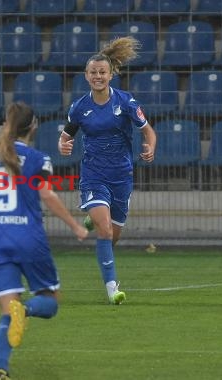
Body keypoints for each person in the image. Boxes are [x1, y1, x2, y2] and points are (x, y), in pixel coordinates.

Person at [0, 102, 89, 380]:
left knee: (7, 314)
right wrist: (75, 225)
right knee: (50, 301)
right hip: (29, 237)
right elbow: (47, 195)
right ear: (34, 126)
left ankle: (1, 370)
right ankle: (27, 309)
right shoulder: (38, 159)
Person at [58, 36, 157, 305]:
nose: (98, 76)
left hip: (121, 176)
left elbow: (148, 131)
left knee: (112, 235)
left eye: (102, 72)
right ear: (86, 75)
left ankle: (99, 234)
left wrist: (150, 147)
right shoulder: (79, 108)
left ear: (111, 74)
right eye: (93, 73)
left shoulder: (126, 102)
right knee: (104, 231)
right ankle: (113, 287)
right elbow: (66, 136)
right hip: (93, 175)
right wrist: (63, 145)